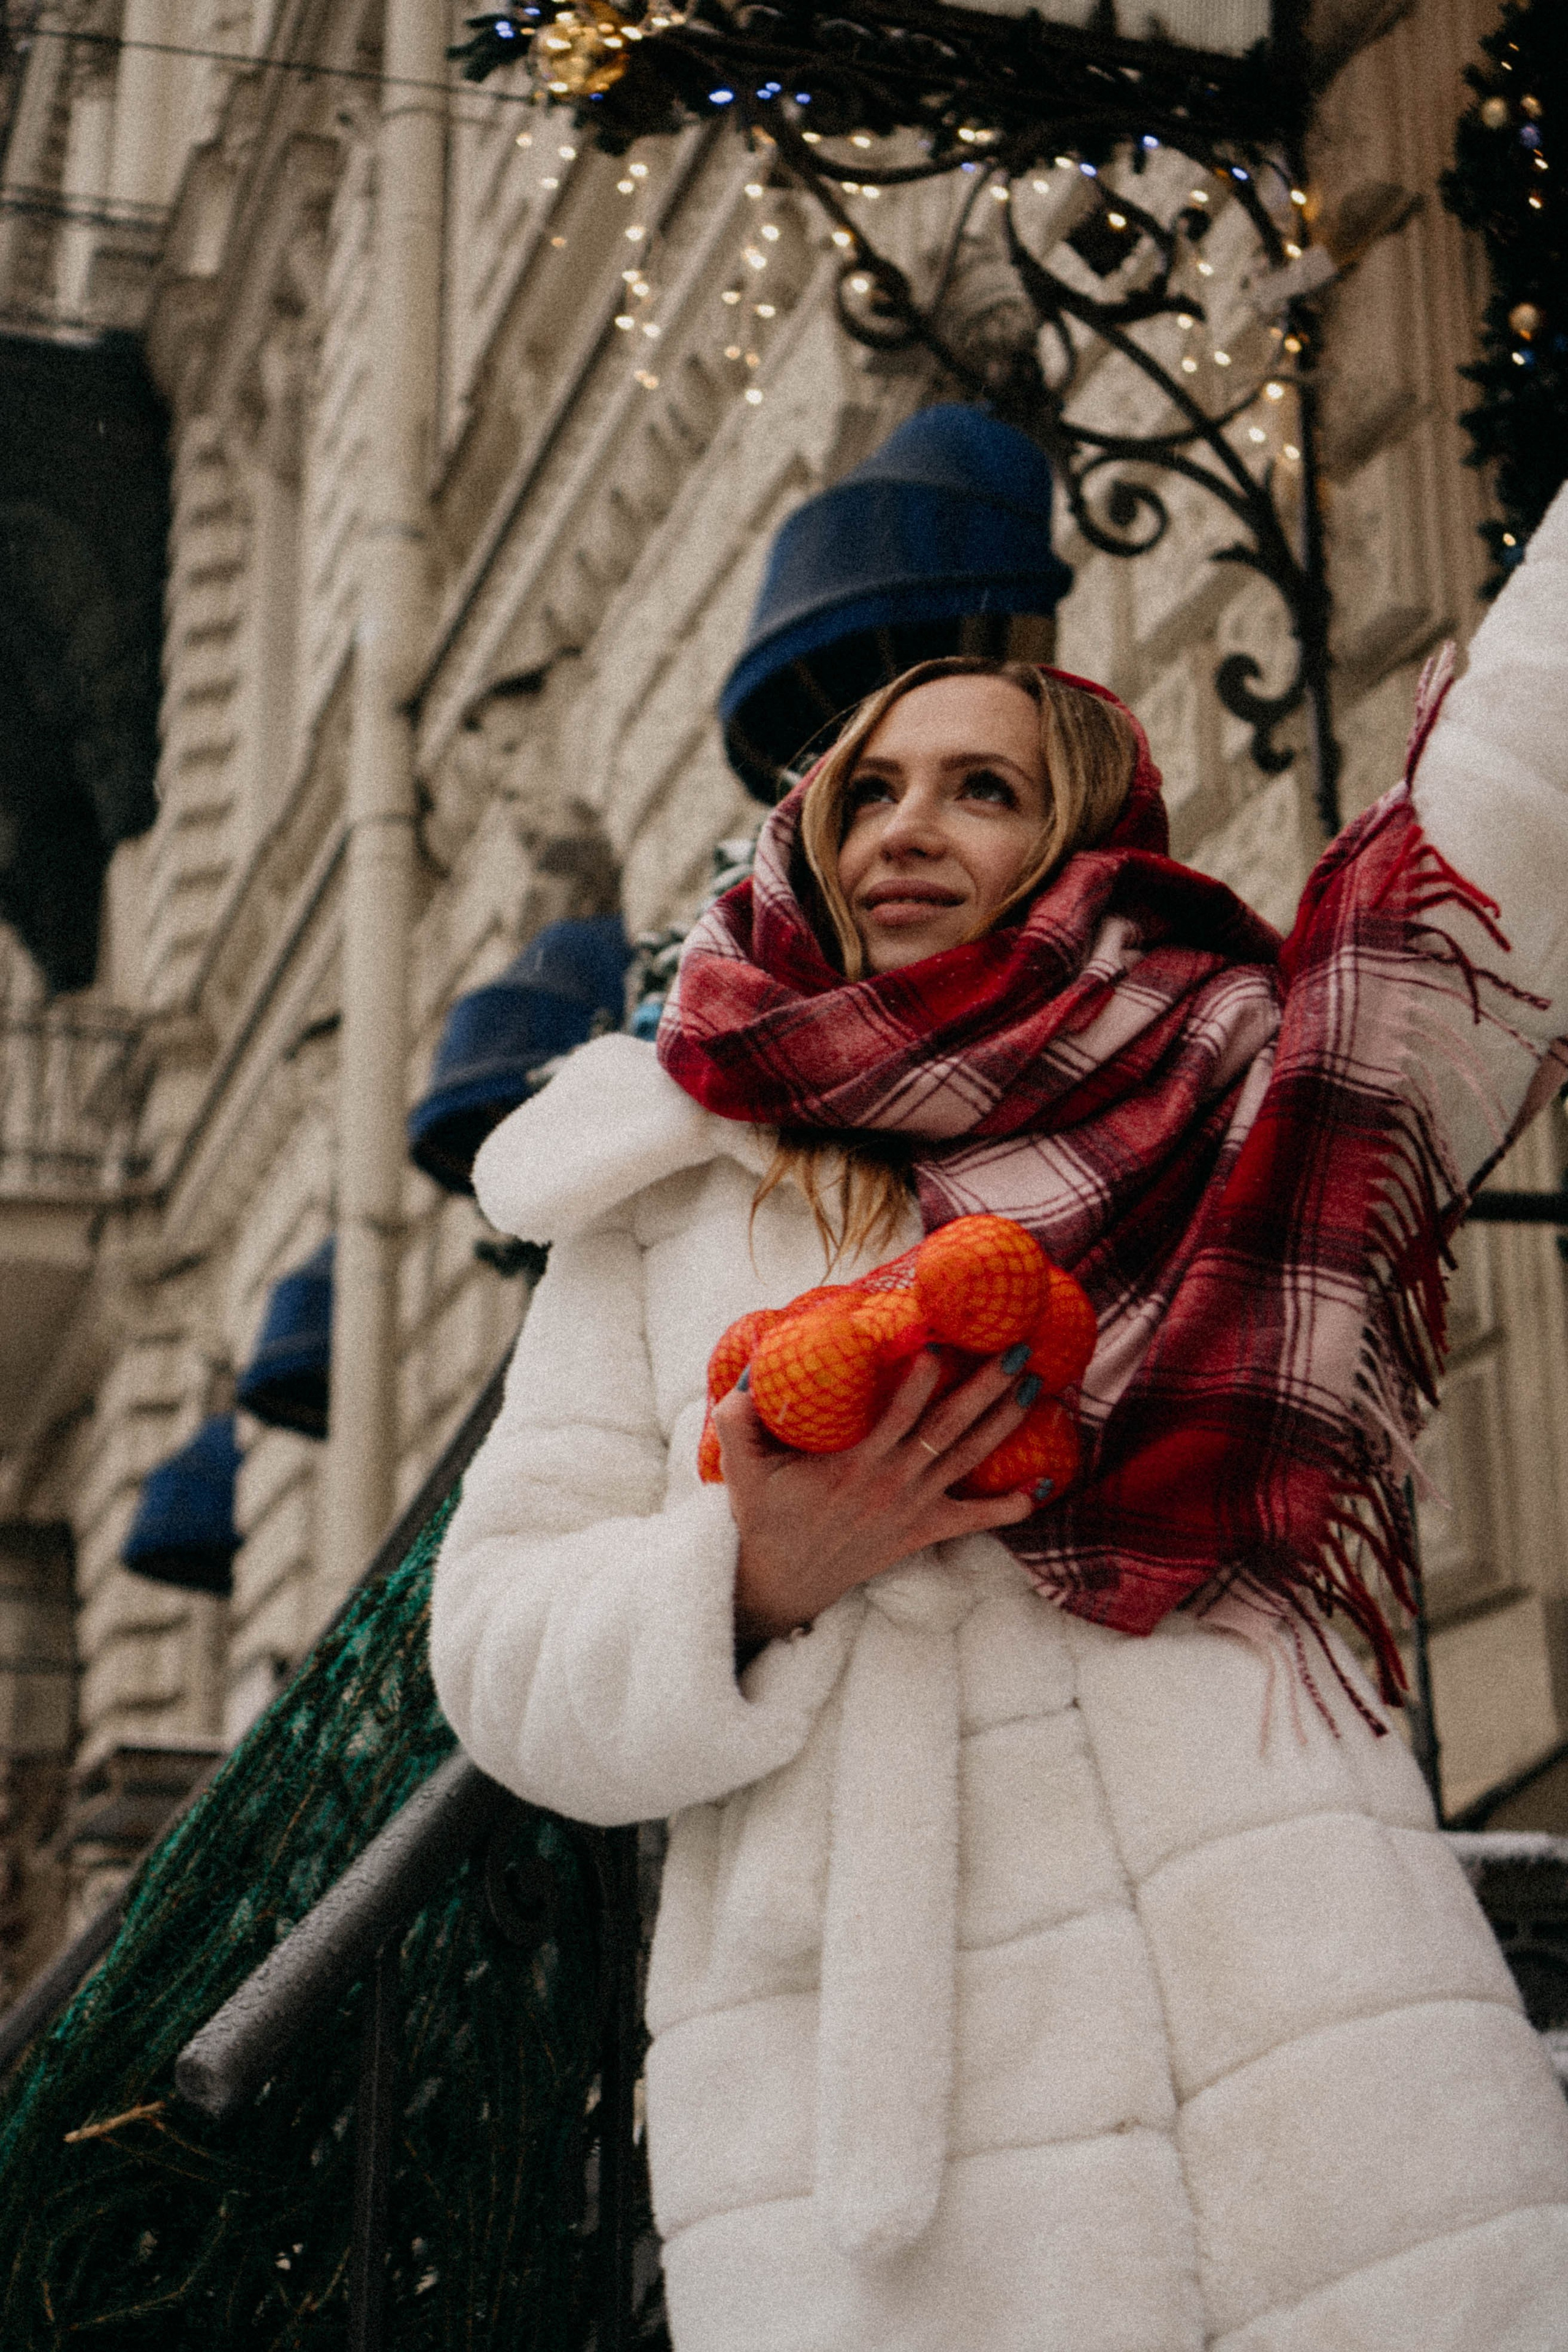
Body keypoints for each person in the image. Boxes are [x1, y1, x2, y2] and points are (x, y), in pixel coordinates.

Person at [431, 486, 1568, 2352]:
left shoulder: (1242, 1077)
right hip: (888, 2110)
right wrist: (749, 1578)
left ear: (1078, 839)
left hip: (1296, 1999)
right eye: (866, 793)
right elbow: (491, 1645)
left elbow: (1512, 822)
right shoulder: (666, 1189)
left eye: (980, 787)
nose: (905, 830)